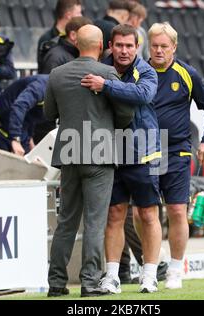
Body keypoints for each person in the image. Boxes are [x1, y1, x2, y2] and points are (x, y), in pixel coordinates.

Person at [45, 24, 132, 298]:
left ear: (75, 44)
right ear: (103, 45)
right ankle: (90, 283)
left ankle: (56, 283)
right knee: (95, 221)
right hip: (100, 152)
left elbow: (49, 113)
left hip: (68, 152)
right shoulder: (108, 73)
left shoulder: (57, 74)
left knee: (66, 221)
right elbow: (126, 114)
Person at [81, 24, 161, 294]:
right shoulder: (101, 68)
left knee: (148, 214)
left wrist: (106, 86)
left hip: (147, 152)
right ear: (110, 46)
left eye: (129, 46)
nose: (124, 51)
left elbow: (143, 95)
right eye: (119, 45)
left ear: (137, 47)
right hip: (112, 153)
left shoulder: (146, 71)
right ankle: (112, 275)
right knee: (114, 215)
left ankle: (149, 274)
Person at [145, 22, 204, 288]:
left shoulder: (188, 74)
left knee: (176, 210)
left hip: (177, 151)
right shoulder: (138, 73)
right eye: (155, 46)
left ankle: (175, 269)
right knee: (145, 213)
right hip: (144, 150)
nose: (159, 50)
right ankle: (152, 261)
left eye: (164, 46)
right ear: (148, 46)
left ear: (174, 47)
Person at [0, 74, 50, 156]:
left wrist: (30, 141)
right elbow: (20, 106)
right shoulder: (43, 86)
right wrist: (16, 139)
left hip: (17, 130)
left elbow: (31, 116)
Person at [37, 0, 82, 69]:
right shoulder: (47, 39)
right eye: (79, 13)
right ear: (68, 15)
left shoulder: (76, 36)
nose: (81, 16)